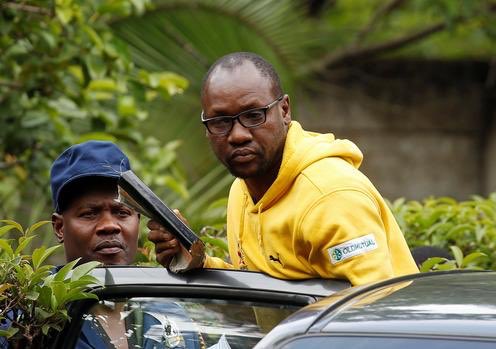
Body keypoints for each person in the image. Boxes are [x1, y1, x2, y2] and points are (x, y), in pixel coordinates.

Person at [148, 52, 419, 286]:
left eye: (254, 115)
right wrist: (195, 260)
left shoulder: (331, 196)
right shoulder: (241, 191)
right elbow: (263, 291)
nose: (238, 135)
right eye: (220, 121)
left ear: (285, 110)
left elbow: (372, 310)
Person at [49, 140, 201, 349]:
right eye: (89, 214)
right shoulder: (31, 311)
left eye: (122, 213)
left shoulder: (172, 315)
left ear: (138, 220)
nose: (110, 226)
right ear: (59, 227)